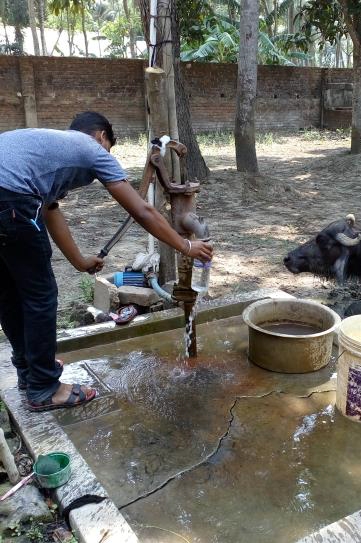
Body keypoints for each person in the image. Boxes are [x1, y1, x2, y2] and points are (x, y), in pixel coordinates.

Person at [0, 111, 213, 412]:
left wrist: (79, 261)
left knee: (9, 292)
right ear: (102, 136)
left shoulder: (46, 150)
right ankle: (45, 388)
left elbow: (50, 211)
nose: (108, 156)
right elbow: (144, 211)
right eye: (109, 148)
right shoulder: (91, 148)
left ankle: (31, 371)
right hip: (9, 200)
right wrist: (186, 245)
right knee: (39, 295)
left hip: (7, 195)